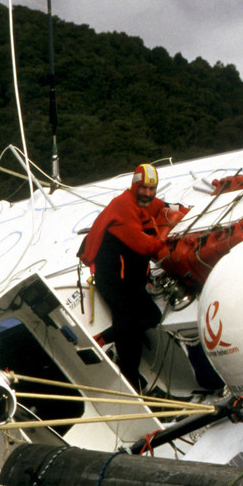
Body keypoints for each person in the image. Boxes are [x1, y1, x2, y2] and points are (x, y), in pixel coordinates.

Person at [79, 162, 172, 390]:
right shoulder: (123, 208)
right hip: (115, 283)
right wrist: (168, 232)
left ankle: (132, 381)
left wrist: (171, 211)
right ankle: (96, 343)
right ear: (134, 186)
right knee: (146, 318)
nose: (148, 194)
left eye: (152, 189)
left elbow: (159, 207)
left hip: (130, 281)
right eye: (143, 189)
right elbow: (145, 246)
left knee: (130, 331)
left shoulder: (138, 201)